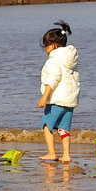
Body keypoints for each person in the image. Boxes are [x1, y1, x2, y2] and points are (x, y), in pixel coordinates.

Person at [37, 20, 80, 163]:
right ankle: (66, 155)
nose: (45, 48)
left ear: (53, 46)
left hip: (56, 99)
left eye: (46, 45)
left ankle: (51, 153)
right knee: (64, 129)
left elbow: (53, 80)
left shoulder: (53, 61)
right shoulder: (69, 60)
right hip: (70, 100)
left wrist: (44, 97)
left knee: (46, 125)